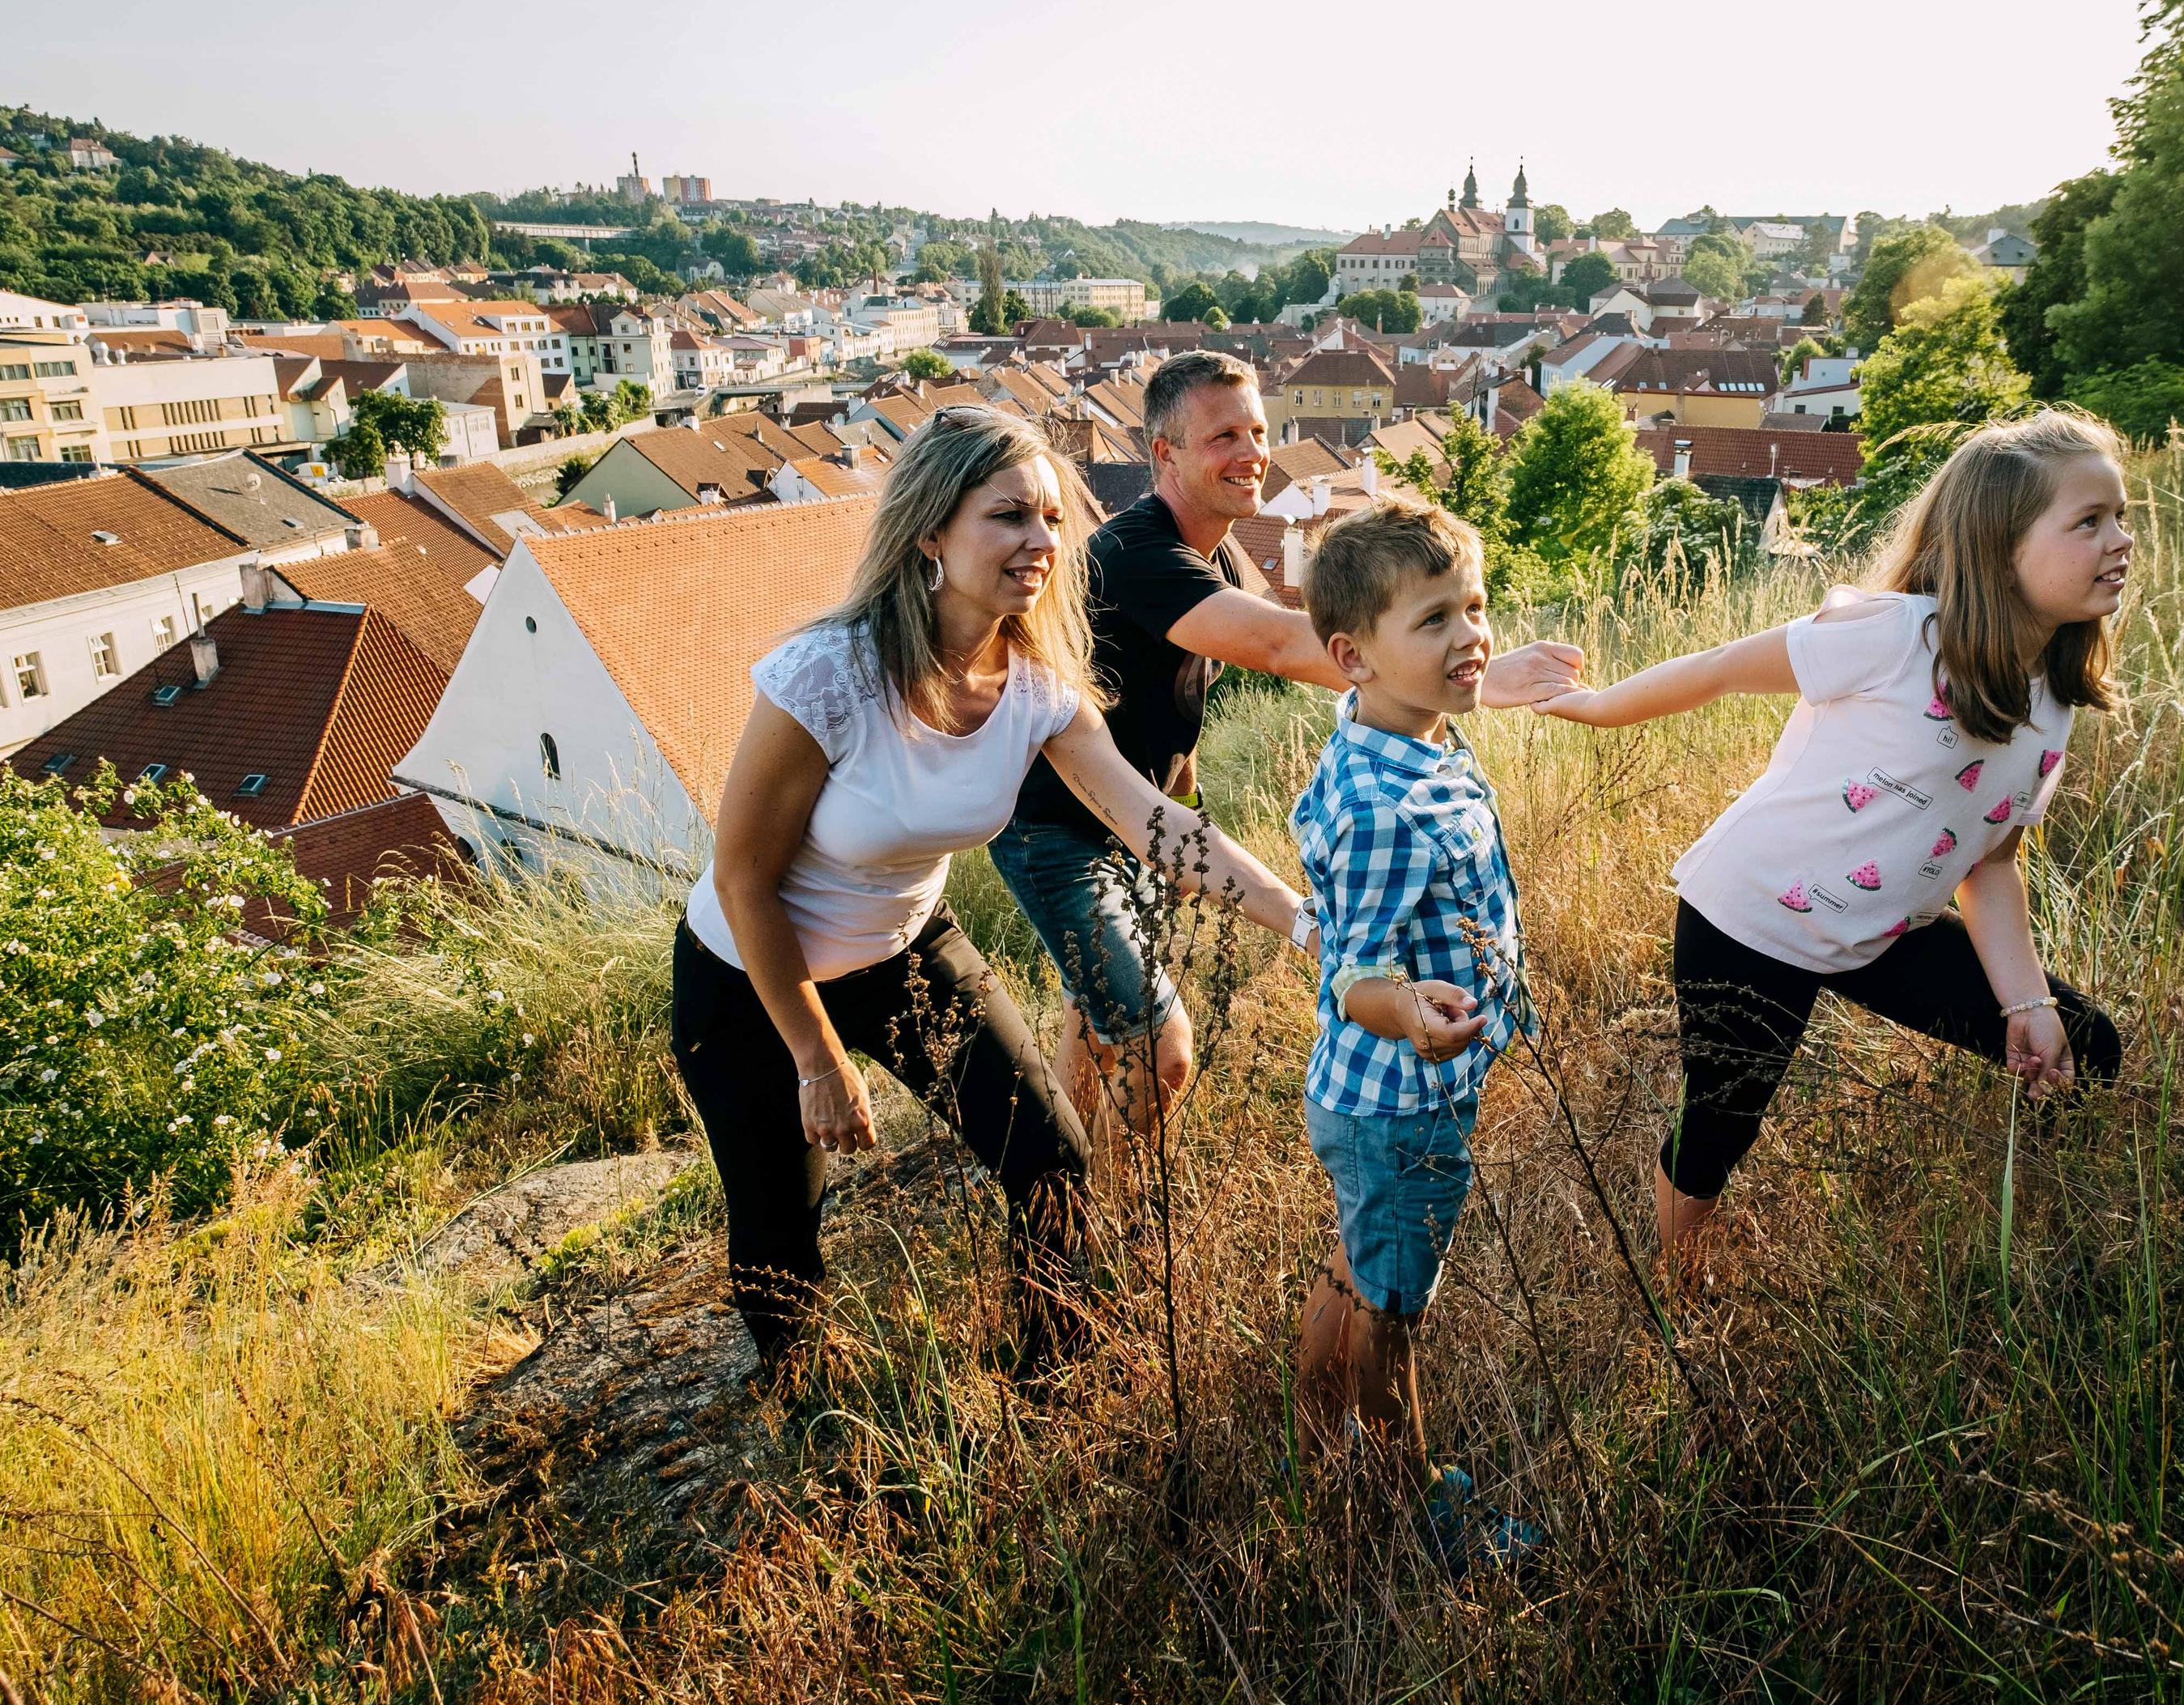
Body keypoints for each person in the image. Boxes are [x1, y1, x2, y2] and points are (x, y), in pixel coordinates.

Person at [677, 406, 1317, 1379]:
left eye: (1054, 519)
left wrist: (1304, 919)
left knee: (1051, 1160)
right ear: (932, 530)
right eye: (1010, 516)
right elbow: (744, 878)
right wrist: (815, 1058)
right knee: (781, 1235)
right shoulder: (829, 673)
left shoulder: (1036, 686)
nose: (1043, 543)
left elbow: (1154, 823)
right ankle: (809, 1416)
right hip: (751, 977)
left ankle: (1043, 1383)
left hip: (905, 950)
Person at [1533, 409, 2133, 1275]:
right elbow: (1718, 670)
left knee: (2087, 1046)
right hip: (1753, 917)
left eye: (2120, 516)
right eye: (2089, 522)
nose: (2119, 540)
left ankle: (2044, 1240)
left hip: (1884, 933)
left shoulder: (2053, 702)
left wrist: (2027, 1005)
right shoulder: (1896, 636)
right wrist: (1594, 704)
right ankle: (1678, 1290)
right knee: (1723, 1124)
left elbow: (1991, 866)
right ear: (2000, 546)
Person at [988, 350, 1581, 1148]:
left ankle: (1059, 1196)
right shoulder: (1139, 554)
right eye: (1222, 436)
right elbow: (1277, 644)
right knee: (1159, 1049)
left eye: (1258, 430)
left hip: (1140, 823)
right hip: (1058, 835)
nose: (1252, 453)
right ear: (1164, 454)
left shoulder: (1219, 550)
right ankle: (1119, 1216)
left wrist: (1188, 802)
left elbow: (1169, 706)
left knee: (1094, 1023)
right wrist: (1458, 670)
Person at [1287, 497, 1541, 1569]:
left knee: (1358, 1265)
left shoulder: (1398, 742)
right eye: (1434, 620)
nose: (1472, 637)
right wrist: (1413, 1016)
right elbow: (1357, 976)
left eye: (1475, 608)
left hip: (1367, 1102)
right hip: (1398, 1101)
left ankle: (1311, 1438)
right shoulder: (1390, 800)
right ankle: (1413, 1501)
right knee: (1396, 1315)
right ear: (1353, 655)